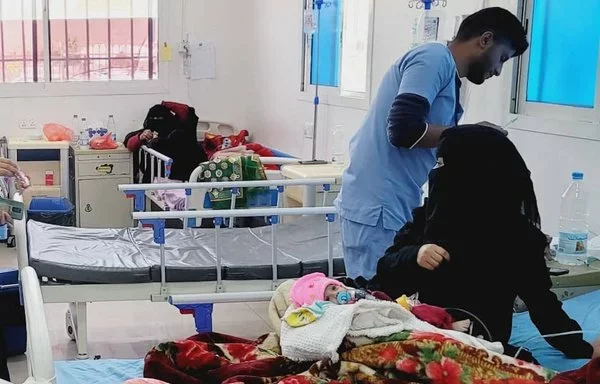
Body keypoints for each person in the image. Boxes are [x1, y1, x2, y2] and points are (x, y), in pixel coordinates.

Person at [367, 125, 600, 362]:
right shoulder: (428, 219)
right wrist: (413, 255)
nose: (436, 172)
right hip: (421, 333)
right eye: (437, 164)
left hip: (481, 343)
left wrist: (580, 348)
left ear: (473, 172)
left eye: (443, 164)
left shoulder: (517, 237)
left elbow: (542, 304)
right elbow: (384, 277)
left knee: (525, 368)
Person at [334, 7, 529, 281]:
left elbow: (435, 139)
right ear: (485, 40)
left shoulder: (450, 79)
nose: (497, 71)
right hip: (377, 206)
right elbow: (403, 130)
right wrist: (469, 134)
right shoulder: (433, 58)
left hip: (394, 202)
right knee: (374, 302)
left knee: (390, 301)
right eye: (502, 58)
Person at [287, 272, 471, 332]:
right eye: (328, 298)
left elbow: (375, 297)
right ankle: (447, 328)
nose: (336, 295)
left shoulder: (353, 291)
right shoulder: (336, 312)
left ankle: (449, 323)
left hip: (389, 306)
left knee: (423, 310)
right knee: (416, 323)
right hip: (378, 319)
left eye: (334, 288)